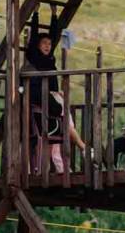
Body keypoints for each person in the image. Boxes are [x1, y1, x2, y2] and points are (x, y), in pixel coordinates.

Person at [22, 32, 86, 171]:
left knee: (64, 126)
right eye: (44, 43)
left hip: (52, 102)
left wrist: (54, 14)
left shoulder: (50, 61)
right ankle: (82, 148)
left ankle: (63, 166)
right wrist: (37, 14)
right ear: (37, 45)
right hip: (45, 106)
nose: (47, 46)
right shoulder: (34, 61)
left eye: (49, 44)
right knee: (65, 126)